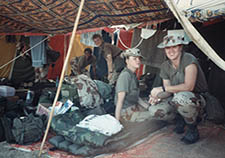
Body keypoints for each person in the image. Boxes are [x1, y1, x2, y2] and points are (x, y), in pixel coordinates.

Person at [148, 30, 208, 144]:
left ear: (180, 47)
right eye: (167, 48)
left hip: (198, 100)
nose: (171, 51)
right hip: (177, 99)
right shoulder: (165, 66)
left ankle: (192, 129)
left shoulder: (189, 59)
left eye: (174, 47)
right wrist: (156, 95)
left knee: (180, 98)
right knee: (154, 110)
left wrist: (163, 89)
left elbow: (189, 86)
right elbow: (168, 91)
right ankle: (180, 119)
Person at [115, 48, 151, 122]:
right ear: (127, 61)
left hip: (133, 107)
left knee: (155, 110)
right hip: (126, 113)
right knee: (154, 117)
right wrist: (117, 122)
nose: (138, 61)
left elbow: (136, 98)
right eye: (134, 58)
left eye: (139, 58)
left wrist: (149, 107)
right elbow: (119, 101)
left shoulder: (133, 75)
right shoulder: (125, 75)